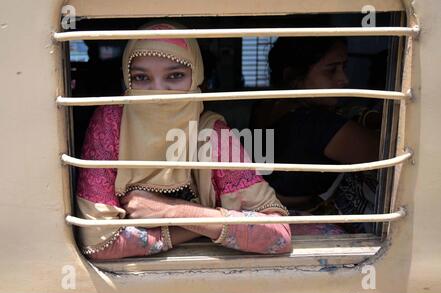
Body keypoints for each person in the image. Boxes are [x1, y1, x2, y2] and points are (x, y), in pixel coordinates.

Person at [76, 22, 295, 260]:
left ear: (196, 78)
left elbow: (277, 235)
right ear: (127, 82)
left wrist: (172, 211)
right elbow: (98, 242)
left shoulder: (211, 135)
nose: (158, 92)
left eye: (176, 76)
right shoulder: (111, 124)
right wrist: (203, 223)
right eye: (141, 77)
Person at [251, 36, 380, 232]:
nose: (344, 79)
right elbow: (389, 155)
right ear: (293, 76)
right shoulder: (319, 125)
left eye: (344, 67)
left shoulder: (264, 107)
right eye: (331, 70)